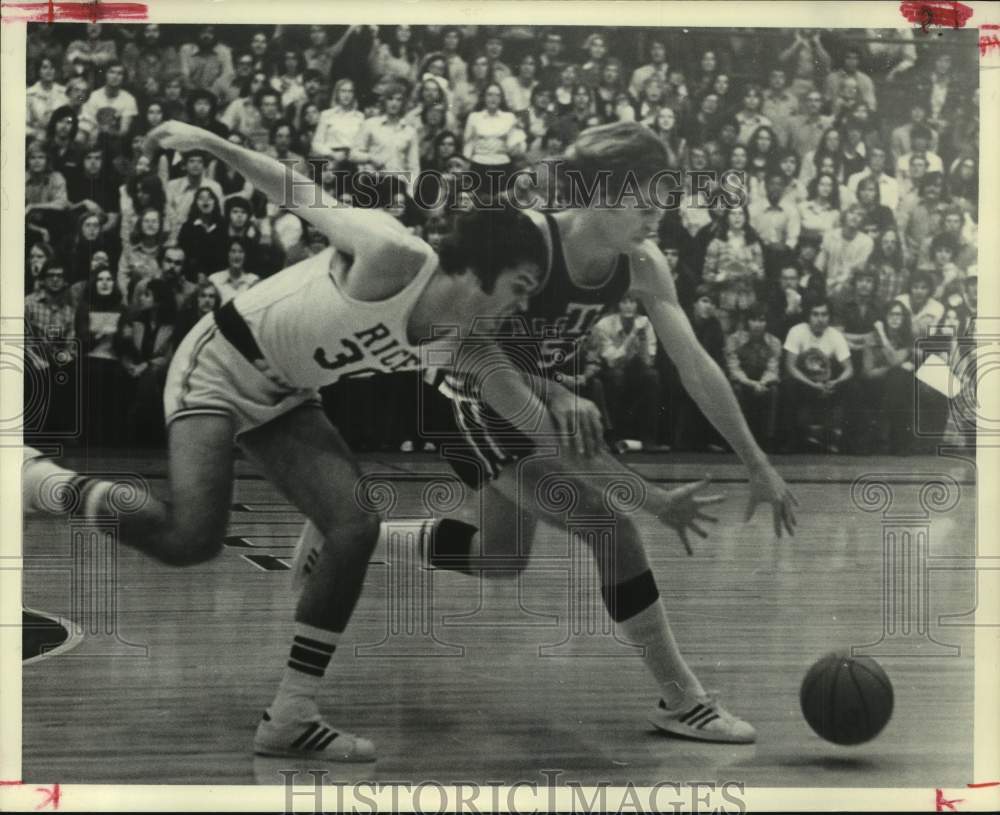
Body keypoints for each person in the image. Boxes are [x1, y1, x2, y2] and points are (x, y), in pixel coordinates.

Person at [22, 118, 552, 762]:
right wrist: (211, 143)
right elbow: (298, 192)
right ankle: (41, 483)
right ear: (482, 269)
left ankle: (291, 716)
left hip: (287, 394)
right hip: (219, 363)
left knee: (354, 525)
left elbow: (519, 407)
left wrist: (572, 432)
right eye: (520, 287)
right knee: (192, 539)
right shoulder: (396, 255)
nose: (522, 305)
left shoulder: (458, 338)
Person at [303, 122, 798, 749]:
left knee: (501, 557)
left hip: (526, 395)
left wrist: (756, 461)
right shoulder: (527, 240)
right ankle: (684, 700)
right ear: (602, 194)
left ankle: (352, 533)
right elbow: (466, 343)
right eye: (645, 203)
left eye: (663, 204)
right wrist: (562, 398)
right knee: (609, 523)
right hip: (465, 395)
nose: (657, 218)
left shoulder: (643, 264)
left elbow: (695, 365)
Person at [589, 293, 662, 451]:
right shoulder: (604, 325)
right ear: (617, 305)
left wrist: (642, 339)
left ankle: (648, 440)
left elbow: (648, 362)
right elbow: (612, 361)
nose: (628, 306)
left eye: (632, 302)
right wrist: (633, 334)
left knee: (652, 376)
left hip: (633, 368)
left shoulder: (644, 322)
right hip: (607, 369)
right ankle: (612, 438)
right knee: (616, 376)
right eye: (624, 302)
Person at [781, 297, 853, 452]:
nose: (820, 319)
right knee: (788, 384)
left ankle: (844, 441)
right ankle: (791, 440)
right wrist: (813, 385)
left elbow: (849, 369)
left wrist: (836, 382)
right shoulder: (797, 331)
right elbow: (790, 367)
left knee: (853, 387)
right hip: (803, 383)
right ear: (808, 316)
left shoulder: (835, 335)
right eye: (815, 314)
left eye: (824, 314)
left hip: (826, 384)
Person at [75, 266, 128, 446]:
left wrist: (121, 335)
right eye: (100, 279)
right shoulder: (84, 307)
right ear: (94, 283)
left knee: (116, 380)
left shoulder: (121, 308)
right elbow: (81, 341)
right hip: (88, 358)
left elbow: (124, 343)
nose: (105, 283)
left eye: (109, 279)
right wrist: (101, 334)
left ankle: (111, 439)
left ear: (114, 283)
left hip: (113, 359)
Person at [860, 301, 915, 454]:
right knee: (897, 374)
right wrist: (882, 334)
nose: (895, 318)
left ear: (904, 318)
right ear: (884, 317)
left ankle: (888, 439)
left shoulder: (907, 339)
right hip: (875, 386)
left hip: (897, 388)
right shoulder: (871, 338)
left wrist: (894, 368)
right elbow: (867, 372)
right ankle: (897, 441)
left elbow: (894, 360)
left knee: (898, 378)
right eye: (891, 314)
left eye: (899, 315)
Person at [725, 303, 781, 451]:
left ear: (766, 323)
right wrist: (751, 383)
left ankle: (767, 439)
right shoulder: (734, 339)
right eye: (753, 320)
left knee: (774, 390)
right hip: (742, 381)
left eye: (761, 320)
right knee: (736, 389)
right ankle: (738, 438)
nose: (757, 324)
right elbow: (734, 368)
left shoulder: (774, 342)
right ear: (747, 322)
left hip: (763, 382)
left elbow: (772, 369)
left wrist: (762, 383)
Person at [208, 237, 261, 304]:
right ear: (227, 254)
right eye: (233, 251)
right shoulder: (214, 279)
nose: (237, 255)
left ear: (246, 256)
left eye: (241, 252)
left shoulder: (253, 280)